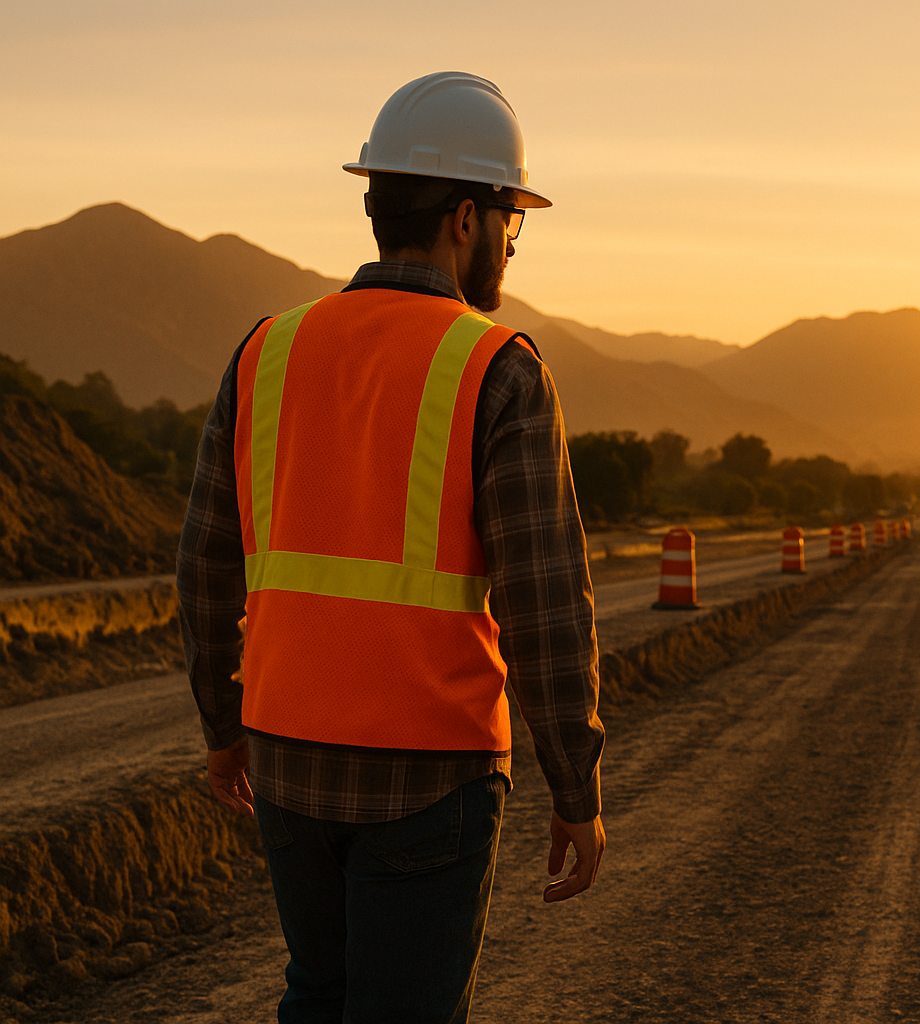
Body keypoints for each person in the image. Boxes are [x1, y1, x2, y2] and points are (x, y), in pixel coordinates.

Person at [177, 72, 604, 1023]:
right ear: (465, 218)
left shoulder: (266, 351)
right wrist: (574, 783)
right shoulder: (498, 368)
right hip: (431, 772)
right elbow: (546, 603)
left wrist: (221, 726)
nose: (510, 245)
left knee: (319, 996)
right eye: (510, 220)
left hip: (287, 760)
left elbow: (204, 565)